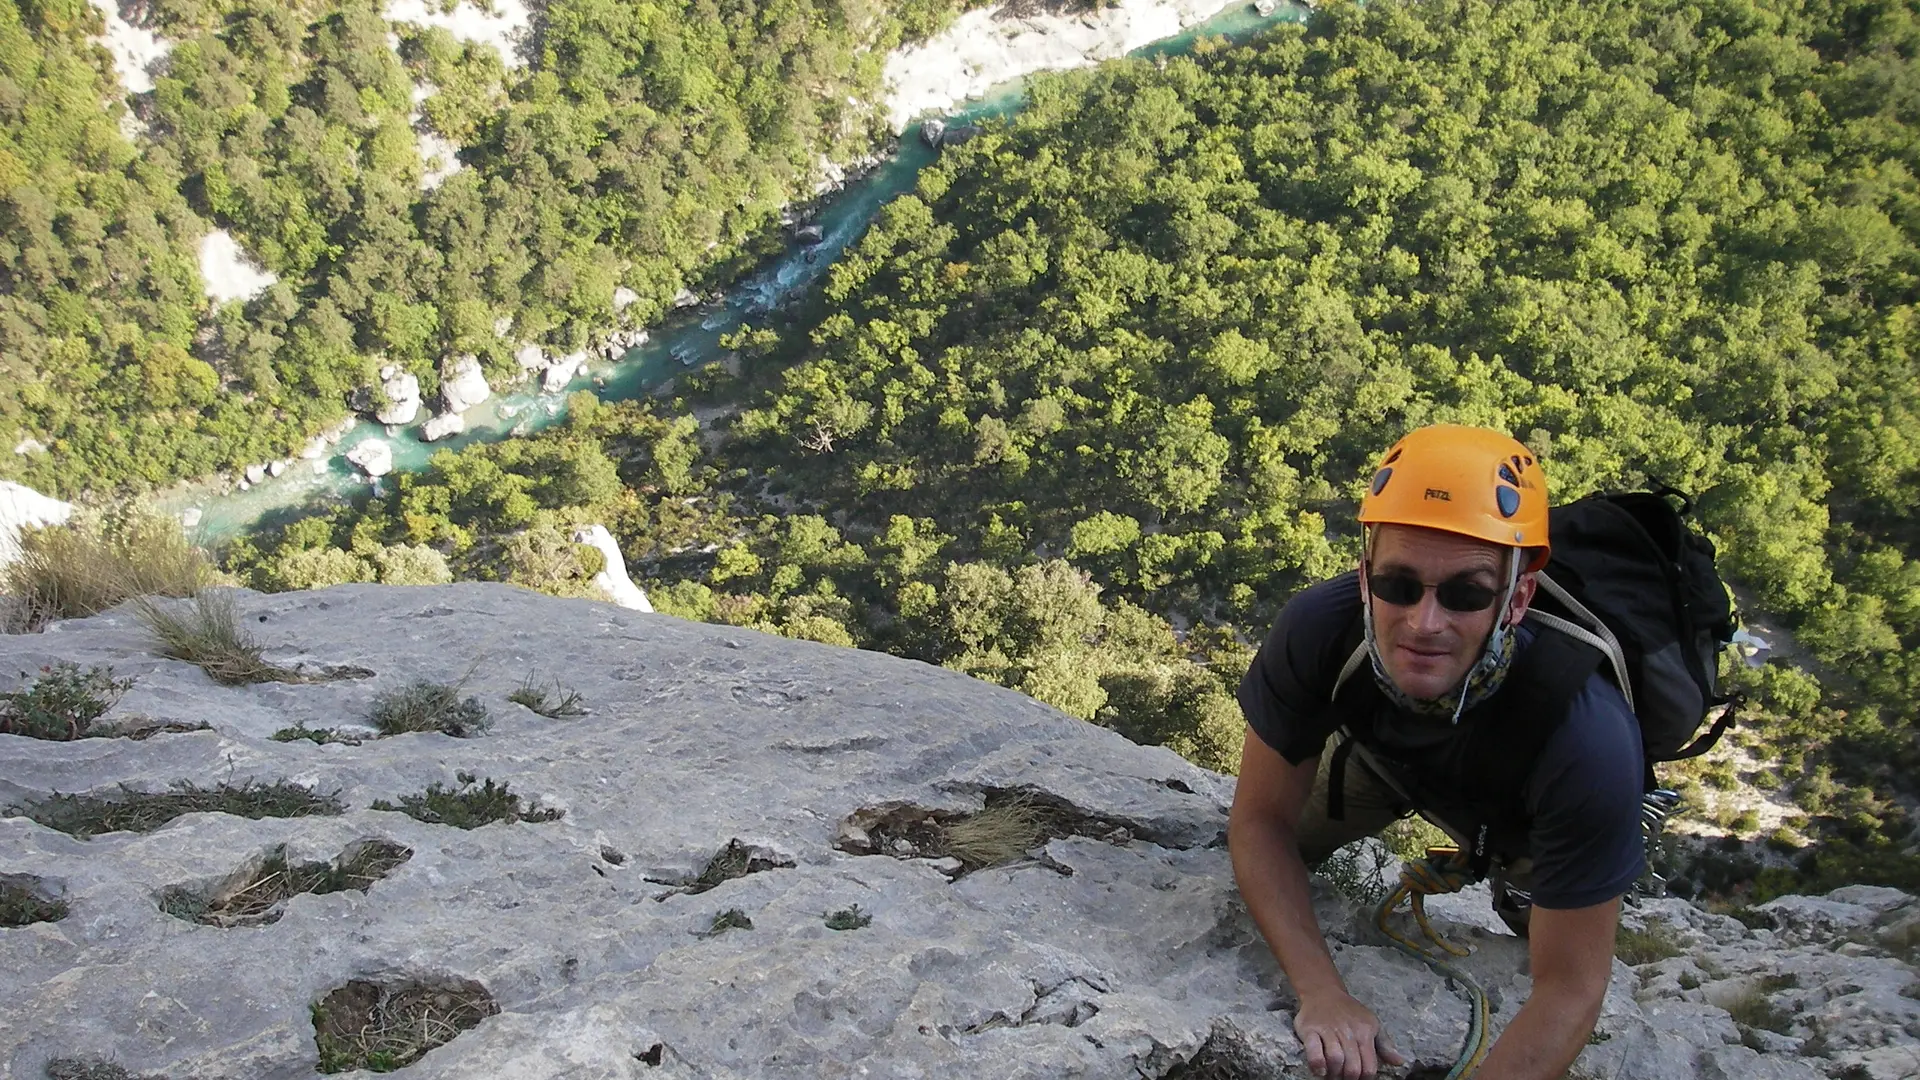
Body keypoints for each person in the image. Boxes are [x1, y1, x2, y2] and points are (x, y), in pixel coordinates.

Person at [1229, 424, 1644, 1080]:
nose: (1424, 623)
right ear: (1365, 577)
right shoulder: (1320, 631)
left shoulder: (1585, 738)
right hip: (1383, 759)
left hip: (1521, 816)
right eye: (1399, 584)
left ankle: (1513, 879)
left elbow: (1570, 988)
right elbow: (1259, 825)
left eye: (1466, 593)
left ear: (1518, 597)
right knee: (1276, 858)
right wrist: (1323, 993)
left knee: (1540, 928)